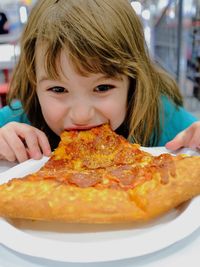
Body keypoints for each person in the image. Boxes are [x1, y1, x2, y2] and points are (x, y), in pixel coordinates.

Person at [0, 0, 199, 163]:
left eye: (102, 87)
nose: (82, 115)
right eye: (58, 89)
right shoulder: (16, 119)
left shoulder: (162, 117)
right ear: (34, 82)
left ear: (133, 81)